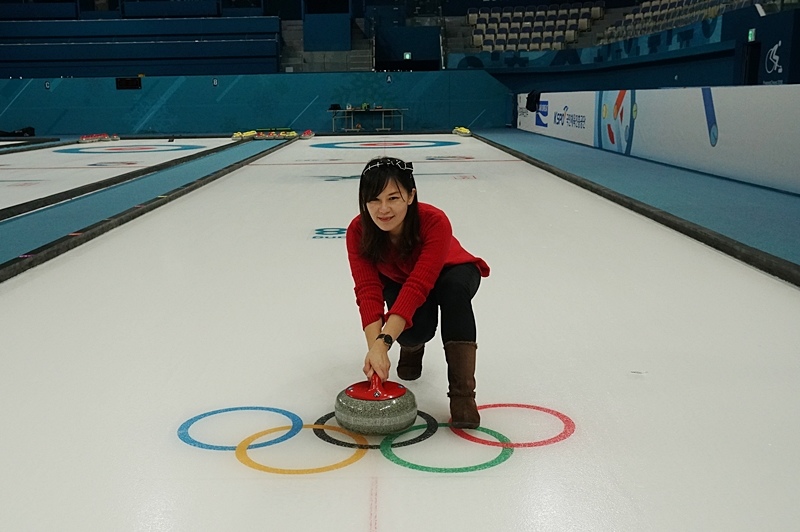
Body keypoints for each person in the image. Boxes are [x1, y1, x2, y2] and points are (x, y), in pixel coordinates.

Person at [346, 156, 490, 429]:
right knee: (415, 329)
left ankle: (462, 396)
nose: (383, 209)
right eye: (373, 200)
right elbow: (367, 291)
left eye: (393, 198)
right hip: (400, 279)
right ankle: (412, 348)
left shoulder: (434, 221)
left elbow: (418, 286)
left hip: (452, 270)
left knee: (453, 291)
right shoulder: (358, 230)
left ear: (411, 196)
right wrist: (375, 348)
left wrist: (384, 341)